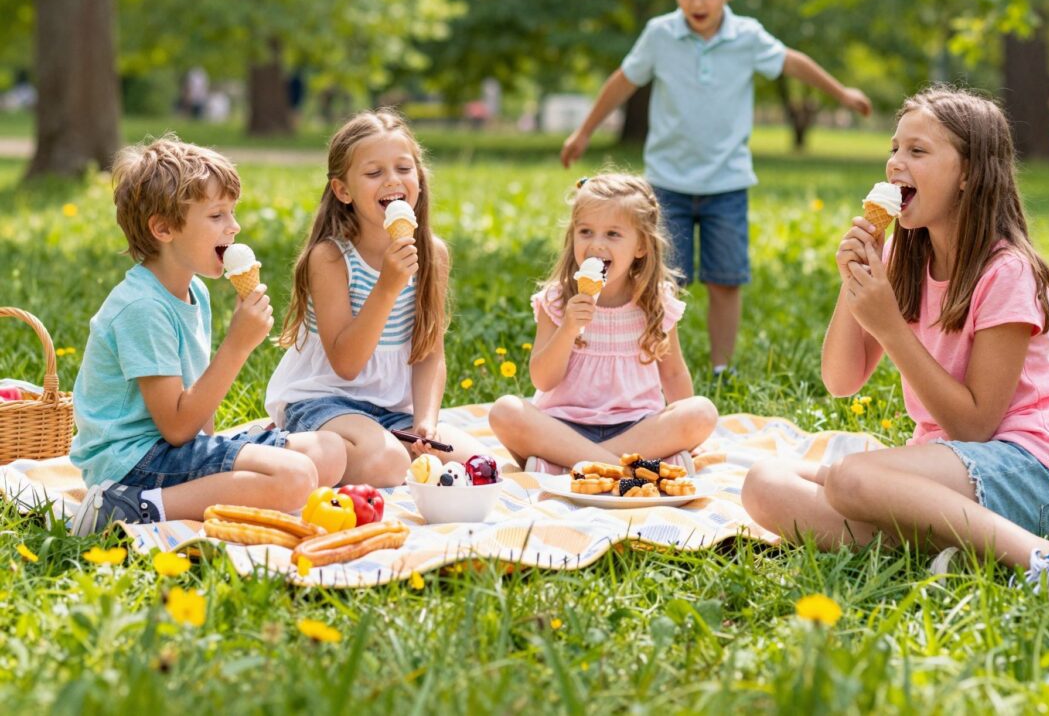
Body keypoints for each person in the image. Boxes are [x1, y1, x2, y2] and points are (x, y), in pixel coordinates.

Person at [741, 88, 1049, 602]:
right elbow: (840, 379)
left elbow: (976, 425)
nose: (896, 162)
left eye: (917, 152)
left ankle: (1043, 558)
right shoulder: (902, 255)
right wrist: (854, 278)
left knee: (850, 479)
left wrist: (890, 328)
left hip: (1022, 470)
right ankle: (958, 553)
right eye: (895, 148)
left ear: (969, 173)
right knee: (765, 482)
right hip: (941, 471)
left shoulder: (1007, 271)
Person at [561, 0, 873, 375]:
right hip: (667, 184)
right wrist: (584, 131)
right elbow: (623, 81)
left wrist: (841, 93)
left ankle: (721, 367)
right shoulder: (660, 35)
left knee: (726, 279)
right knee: (661, 281)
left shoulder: (747, 36)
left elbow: (793, 62)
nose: (698, 3)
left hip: (726, 184)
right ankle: (661, 362)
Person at [70, 137, 346, 535]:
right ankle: (129, 507)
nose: (233, 227)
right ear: (163, 228)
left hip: (172, 449)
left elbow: (196, 420)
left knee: (330, 451)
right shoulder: (141, 309)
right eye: (217, 215)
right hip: (131, 462)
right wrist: (238, 344)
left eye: (231, 213)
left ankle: (191, 493)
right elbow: (177, 428)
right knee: (296, 478)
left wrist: (227, 452)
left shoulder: (194, 290)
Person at [266, 110, 487, 487]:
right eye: (373, 173)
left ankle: (367, 450)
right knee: (386, 463)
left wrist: (426, 421)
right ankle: (282, 448)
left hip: (390, 411)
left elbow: (429, 351)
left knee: (472, 463)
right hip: (324, 400)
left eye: (403, 168)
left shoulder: (432, 254)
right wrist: (388, 285)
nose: (392, 181)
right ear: (343, 190)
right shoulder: (331, 258)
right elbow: (347, 364)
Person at [489, 173, 718, 472]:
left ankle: (570, 464)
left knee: (702, 412)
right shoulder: (557, 300)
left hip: (636, 428)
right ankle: (632, 468)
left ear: (641, 246)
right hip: (564, 427)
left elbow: (673, 375)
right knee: (505, 411)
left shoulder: (655, 302)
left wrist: (688, 435)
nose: (596, 244)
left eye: (612, 234)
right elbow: (543, 380)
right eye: (586, 231)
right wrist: (569, 328)